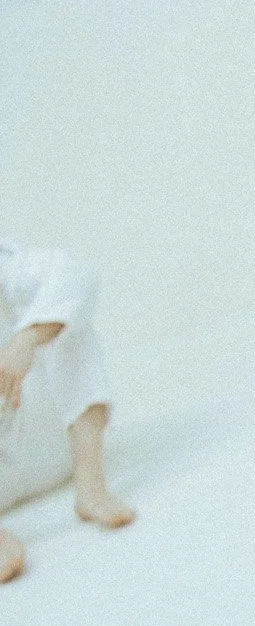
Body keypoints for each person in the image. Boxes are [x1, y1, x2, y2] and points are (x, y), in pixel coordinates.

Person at [0, 240, 134, 582]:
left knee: (66, 322)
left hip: (50, 446)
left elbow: (73, 273)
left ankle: (91, 489)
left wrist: (27, 338)